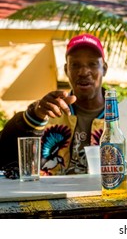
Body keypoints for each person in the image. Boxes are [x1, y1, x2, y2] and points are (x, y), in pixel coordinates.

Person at [0, 33, 107, 175]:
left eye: (92, 64)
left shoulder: (122, 117)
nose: (83, 72)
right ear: (66, 70)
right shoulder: (47, 113)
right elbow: (5, 154)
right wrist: (34, 116)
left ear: (104, 69)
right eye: (75, 65)